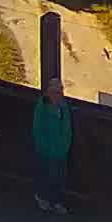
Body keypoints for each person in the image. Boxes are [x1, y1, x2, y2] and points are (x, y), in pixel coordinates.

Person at [31, 75, 72, 214]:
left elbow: (67, 127)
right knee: (45, 175)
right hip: (46, 149)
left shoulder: (63, 107)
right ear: (49, 92)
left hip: (60, 150)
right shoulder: (42, 106)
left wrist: (65, 144)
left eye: (60, 92)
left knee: (59, 177)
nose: (57, 95)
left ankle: (57, 202)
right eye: (55, 92)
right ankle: (43, 198)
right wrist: (42, 146)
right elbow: (38, 128)